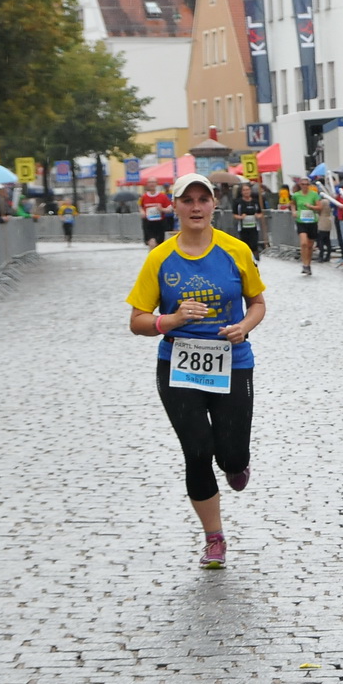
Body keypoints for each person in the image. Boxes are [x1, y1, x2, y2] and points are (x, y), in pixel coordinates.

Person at [124, 174, 267, 569]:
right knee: (198, 451)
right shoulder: (159, 258)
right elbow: (136, 320)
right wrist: (169, 320)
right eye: (188, 200)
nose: (196, 207)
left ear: (214, 205)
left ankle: (237, 465)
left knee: (231, 455)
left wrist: (245, 326)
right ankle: (214, 537)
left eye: (203, 199)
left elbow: (257, 302)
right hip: (178, 365)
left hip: (232, 362)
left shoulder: (235, 251)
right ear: (175, 206)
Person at [292, 177, 321, 275]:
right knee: (304, 243)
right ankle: (304, 264)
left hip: (312, 221)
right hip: (301, 221)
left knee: (309, 246)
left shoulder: (314, 195)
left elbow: (319, 207)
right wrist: (293, 211)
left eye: (307, 184)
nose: (305, 186)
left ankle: (308, 265)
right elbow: (292, 204)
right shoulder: (296, 195)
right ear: (300, 185)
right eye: (303, 184)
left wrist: (311, 206)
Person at [232, 183, 264, 259]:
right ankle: (246, 258)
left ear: (250, 191)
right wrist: (240, 217)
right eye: (244, 190)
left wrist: (258, 216)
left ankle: (255, 258)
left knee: (254, 243)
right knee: (245, 244)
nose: (246, 192)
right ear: (241, 192)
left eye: (247, 190)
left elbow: (261, 213)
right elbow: (234, 214)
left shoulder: (255, 201)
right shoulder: (238, 202)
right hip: (243, 227)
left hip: (254, 226)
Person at [139, 180, 173, 248]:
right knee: (151, 242)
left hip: (160, 223)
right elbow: (140, 206)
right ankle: (151, 257)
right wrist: (142, 212)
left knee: (159, 244)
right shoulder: (144, 196)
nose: (152, 184)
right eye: (150, 182)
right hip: (148, 223)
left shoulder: (162, 196)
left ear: (156, 184)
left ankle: (156, 257)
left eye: (153, 182)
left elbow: (170, 209)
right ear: (147, 184)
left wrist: (162, 209)